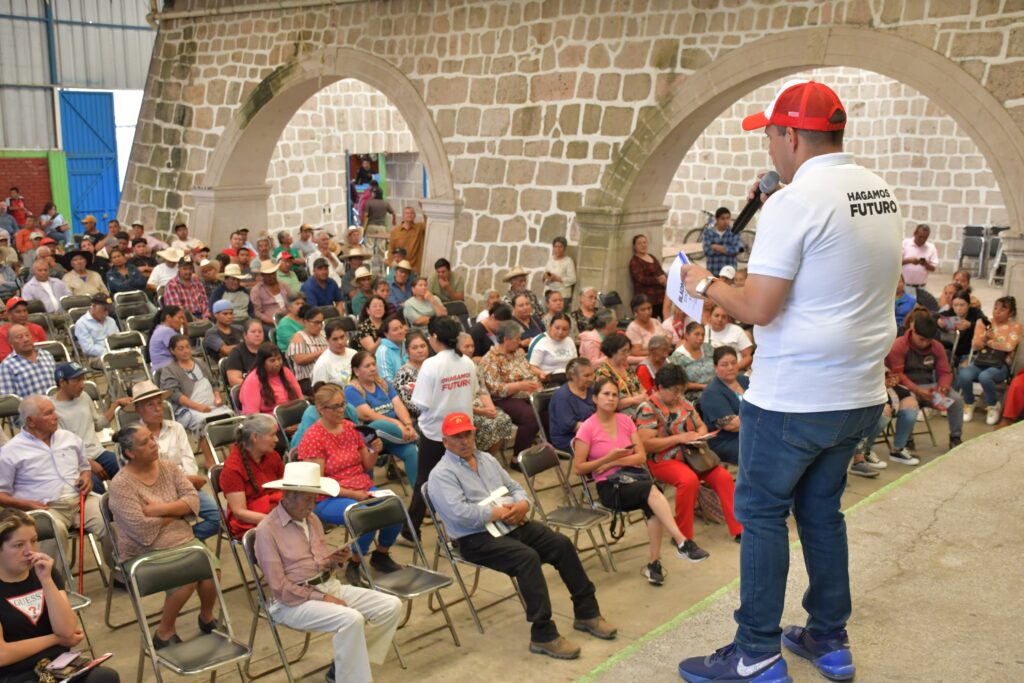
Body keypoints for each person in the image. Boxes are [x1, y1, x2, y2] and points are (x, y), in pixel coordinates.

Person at [676, 80, 901, 683]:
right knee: (823, 512)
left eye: (772, 134)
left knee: (764, 513)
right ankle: (828, 637)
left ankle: (755, 653)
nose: (770, 146)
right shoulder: (878, 192)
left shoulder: (794, 202)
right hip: (858, 393)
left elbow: (760, 309)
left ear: (792, 135)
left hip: (796, 397)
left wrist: (703, 284)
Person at [429, 412, 616, 659]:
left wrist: (522, 505)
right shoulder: (441, 475)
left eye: (467, 434)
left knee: (561, 544)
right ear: (445, 442)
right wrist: (495, 513)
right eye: (456, 437)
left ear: (474, 434)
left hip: (509, 522)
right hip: (474, 538)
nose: (464, 441)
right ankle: (543, 634)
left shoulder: (486, 459)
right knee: (526, 558)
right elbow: (459, 513)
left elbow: (515, 487)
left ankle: (587, 613)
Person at [254, 461, 402, 683]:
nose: (312, 505)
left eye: (315, 498)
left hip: (326, 585)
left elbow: (317, 562)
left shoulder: (312, 519)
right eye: (307, 498)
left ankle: (344, 667)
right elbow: (280, 588)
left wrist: (333, 561)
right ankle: (351, 676)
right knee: (351, 619)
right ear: (288, 496)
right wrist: (324, 598)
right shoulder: (267, 530)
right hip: (292, 602)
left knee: (390, 606)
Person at [574, 378, 708, 586]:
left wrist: (615, 460)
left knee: (652, 501)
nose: (611, 398)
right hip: (610, 487)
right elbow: (579, 468)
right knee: (652, 492)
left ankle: (654, 565)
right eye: (606, 394)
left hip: (634, 478)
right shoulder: (588, 428)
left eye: (614, 395)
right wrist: (607, 460)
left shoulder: (625, 421)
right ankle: (682, 542)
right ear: (594, 398)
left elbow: (641, 457)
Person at [107, 425, 219, 650]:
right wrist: (177, 512)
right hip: (143, 551)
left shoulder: (169, 468)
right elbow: (141, 529)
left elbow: (193, 501)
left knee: (212, 572)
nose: (153, 444)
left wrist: (160, 510)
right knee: (190, 575)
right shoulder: (121, 485)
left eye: (152, 438)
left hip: (182, 539)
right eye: (144, 442)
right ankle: (164, 631)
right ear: (129, 453)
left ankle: (206, 617)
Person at [297, 384, 402, 585]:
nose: (341, 410)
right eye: (335, 406)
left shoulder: (349, 428)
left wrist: (374, 451)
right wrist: (353, 494)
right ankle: (354, 562)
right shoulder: (313, 437)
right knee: (365, 515)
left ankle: (381, 554)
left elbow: (366, 465)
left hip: (360, 487)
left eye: (343, 404)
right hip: (329, 495)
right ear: (321, 409)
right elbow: (317, 482)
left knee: (394, 505)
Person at [0, 509, 121, 683]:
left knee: (105, 678)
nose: (30, 551)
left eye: (34, 541)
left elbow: (66, 630)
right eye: (18, 545)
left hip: (57, 665)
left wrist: (46, 580)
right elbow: (2, 654)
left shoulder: (45, 572)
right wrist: (55, 639)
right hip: (15, 673)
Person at [636, 364, 743, 550]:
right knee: (688, 480)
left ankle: (739, 528)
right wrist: (680, 438)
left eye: (681, 390)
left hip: (692, 456)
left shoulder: (683, 402)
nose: (678, 395)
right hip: (663, 459)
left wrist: (700, 435)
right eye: (674, 391)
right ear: (660, 387)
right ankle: (682, 535)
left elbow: (700, 424)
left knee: (723, 477)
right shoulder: (647, 408)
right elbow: (646, 444)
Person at [404, 316, 480, 544]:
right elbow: (473, 391)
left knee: (424, 482)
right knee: (460, 480)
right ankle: (462, 528)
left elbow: (421, 403)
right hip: (463, 431)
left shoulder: (431, 365)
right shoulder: (466, 362)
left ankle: (409, 531)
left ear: (435, 338)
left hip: (437, 432)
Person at [0, 396, 104, 542]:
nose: (56, 416)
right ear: (31, 421)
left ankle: (121, 564)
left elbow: (84, 467)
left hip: (81, 501)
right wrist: (26, 505)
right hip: (45, 509)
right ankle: (52, 566)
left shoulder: (70, 438)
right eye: (48, 413)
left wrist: (86, 477)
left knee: (109, 518)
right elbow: (2, 495)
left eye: (54, 411)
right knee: (54, 533)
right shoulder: (10, 451)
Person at [131, 380, 220, 533]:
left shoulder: (176, 428)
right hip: (154, 493)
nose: (158, 409)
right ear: (138, 410)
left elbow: (189, 462)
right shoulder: (133, 438)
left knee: (219, 518)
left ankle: (186, 540)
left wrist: (186, 483)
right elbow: (137, 477)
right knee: (155, 524)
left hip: (185, 486)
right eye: (150, 405)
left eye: (159, 403)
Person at [52, 362, 130, 493]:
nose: (82, 384)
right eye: (77, 380)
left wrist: (115, 404)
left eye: (83, 379)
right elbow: (61, 448)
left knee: (131, 469)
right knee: (93, 485)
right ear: (62, 382)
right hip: (75, 461)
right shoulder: (51, 408)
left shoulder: (84, 396)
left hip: (98, 452)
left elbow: (98, 424)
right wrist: (88, 463)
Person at [345, 351, 419, 485]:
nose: (373, 368)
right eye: (367, 366)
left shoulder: (383, 384)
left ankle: (420, 499)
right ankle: (413, 438)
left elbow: (398, 405)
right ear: (356, 371)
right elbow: (366, 414)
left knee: (411, 451)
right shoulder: (351, 389)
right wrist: (396, 423)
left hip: (395, 435)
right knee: (377, 428)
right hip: (370, 440)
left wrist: (407, 424)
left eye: (374, 364)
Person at [479, 321, 544, 459]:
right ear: (506, 340)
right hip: (505, 399)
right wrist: (519, 386)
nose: (520, 342)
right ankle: (519, 457)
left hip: (526, 394)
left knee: (548, 407)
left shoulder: (517, 354)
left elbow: (529, 373)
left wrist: (537, 384)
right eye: (517, 339)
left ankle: (551, 448)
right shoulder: (491, 359)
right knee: (530, 416)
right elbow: (494, 389)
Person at [954, 295, 1020, 426]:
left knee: (985, 376)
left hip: (1000, 365)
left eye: (1003, 309)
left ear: (1011, 312)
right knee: (964, 374)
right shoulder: (984, 323)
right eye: (995, 308)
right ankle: (969, 402)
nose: (997, 311)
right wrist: (985, 339)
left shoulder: (1015, 327)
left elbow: (1009, 346)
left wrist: (988, 341)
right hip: (981, 361)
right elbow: (975, 345)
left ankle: (993, 404)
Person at [218, 414, 285, 538]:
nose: (276, 439)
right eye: (272, 435)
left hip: (275, 509)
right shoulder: (232, 469)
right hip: (250, 520)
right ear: (255, 437)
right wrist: (274, 520)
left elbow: (284, 485)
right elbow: (239, 512)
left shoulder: (273, 456)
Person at [159, 335, 232, 436]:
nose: (186, 351)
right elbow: (174, 395)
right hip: (189, 410)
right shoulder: (169, 369)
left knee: (230, 415)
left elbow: (213, 383)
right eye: (181, 348)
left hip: (212, 405)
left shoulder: (200, 362)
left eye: (187, 347)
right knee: (204, 424)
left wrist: (218, 397)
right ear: (172, 351)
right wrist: (198, 407)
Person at [698, 346, 749, 466]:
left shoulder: (746, 381)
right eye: (724, 365)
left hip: (752, 433)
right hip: (726, 441)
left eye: (733, 363)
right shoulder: (711, 392)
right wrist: (761, 417)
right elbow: (732, 425)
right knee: (762, 450)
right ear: (715, 367)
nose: (730, 368)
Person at [548, 357, 596, 453]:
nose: (591, 379)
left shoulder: (591, 389)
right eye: (586, 376)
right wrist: (600, 429)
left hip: (591, 432)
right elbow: (571, 426)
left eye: (592, 374)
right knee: (606, 445)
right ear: (573, 376)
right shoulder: (562, 397)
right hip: (568, 438)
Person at [239, 343, 302, 415]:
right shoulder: (252, 380)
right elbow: (253, 415)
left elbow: (300, 399)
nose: (277, 363)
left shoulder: (286, 372)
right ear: (262, 362)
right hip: (269, 422)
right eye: (272, 360)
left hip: (293, 416)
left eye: (279, 359)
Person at [0, 326, 57, 399]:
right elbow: (9, 399)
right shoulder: (7, 366)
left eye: (27, 335)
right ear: (11, 343)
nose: (26, 339)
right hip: (30, 409)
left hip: (57, 406)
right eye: (20, 337)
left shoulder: (46, 355)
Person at [594, 334, 646, 414]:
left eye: (628, 351)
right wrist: (634, 400)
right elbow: (608, 402)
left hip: (639, 409)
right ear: (612, 351)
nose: (627, 355)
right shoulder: (603, 372)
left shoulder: (627, 368)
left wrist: (642, 397)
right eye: (624, 351)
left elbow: (642, 389)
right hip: (618, 414)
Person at [937, 289, 988, 364]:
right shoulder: (950, 312)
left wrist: (970, 325)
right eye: (955, 305)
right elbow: (933, 316)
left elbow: (987, 323)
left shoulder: (975, 312)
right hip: (951, 351)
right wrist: (938, 322)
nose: (958, 308)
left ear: (968, 305)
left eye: (962, 305)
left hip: (969, 353)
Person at [670, 321, 716, 402]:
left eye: (703, 335)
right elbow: (678, 383)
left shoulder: (708, 348)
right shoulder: (677, 357)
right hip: (694, 396)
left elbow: (718, 365)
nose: (701, 338)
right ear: (686, 336)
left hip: (715, 388)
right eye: (697, 334)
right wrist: (703, 386)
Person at [286, 306, 328, 395]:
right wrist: (322, 352)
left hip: (327, 375)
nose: (319, 326)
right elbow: (299, 360)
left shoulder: (324, 335)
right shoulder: (299, 337)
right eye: (316, 323)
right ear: (305, 322)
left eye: (321, 322)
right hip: (308, 379)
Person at [71, 294, 117, 368]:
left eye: (108, 310)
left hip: (115, 353)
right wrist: (108, 352)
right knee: (113, 362)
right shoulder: (82, 324)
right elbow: (88, 349)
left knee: (137, 358)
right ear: (94, 306)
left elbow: (117, 339)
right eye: (104, 309)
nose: (106, 313)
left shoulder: (111, 321)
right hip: (95, 358)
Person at [704, 303, 753, 371]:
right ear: (710, 317)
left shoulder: (736, 330)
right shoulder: (703, 331)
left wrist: (734, 369)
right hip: (710, 372)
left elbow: (748, 357)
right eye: (716, 315)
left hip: (735, 371)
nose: (720, 319)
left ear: (727, 319)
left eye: (724, 317)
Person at [528, 313, 577, 378]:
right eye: (557, 328)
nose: (560, 332)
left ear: (569, 330)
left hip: (569, 377)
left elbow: (575, 363)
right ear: (550, 326)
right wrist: (542, 374)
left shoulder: (569, 341)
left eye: (564, 329)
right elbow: (532, 367)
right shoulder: (540, 341)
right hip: (548, 379)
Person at [311, 319, 358, 387]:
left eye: (342, 337)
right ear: (327, 340)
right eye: (335, 339)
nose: (340, 342)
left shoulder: (354, 354)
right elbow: (320, 393)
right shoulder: (322, 364)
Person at [628, 234, 666, 314]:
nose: (643, 245)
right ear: (634, 247)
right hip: (647, 299)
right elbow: (641, 279)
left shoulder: (652, 256)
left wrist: (664, 277)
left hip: (661, 297)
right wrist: (657, 280)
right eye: (639, 243)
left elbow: (660, 270)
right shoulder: (635, 262)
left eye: (644, 242)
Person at [0, 298, 47, 362]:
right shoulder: (2, 333)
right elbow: (5, 358)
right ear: (9, 314)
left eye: (25, 311)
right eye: (18, 312)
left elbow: (46, 350)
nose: (23, 314)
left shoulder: (37, 328)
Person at [702, 207, 744, 277]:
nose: (726, 221)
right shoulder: (708, 232)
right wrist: (727, 250)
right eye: (723, 218)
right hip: (713, 271)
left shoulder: (734, 232)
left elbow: (736, 250)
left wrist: (715, 247)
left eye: (728, 218)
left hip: (729, 274)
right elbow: (707, 251)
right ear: (717, 219)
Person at [900, 223, 938, 295]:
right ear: (915, 233)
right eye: (920, 237)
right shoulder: (905, 244)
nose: (922, 239)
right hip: (905, 286)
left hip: (921, 287)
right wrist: (910, 261)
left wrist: (925, 264)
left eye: (925, 238)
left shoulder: (931, 247)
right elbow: (896, 262)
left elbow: (933, 268)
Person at [225, 319, 264, 387]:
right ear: (245, 335)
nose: (257, 334)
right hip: (249, 390)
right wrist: (257, 387)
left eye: (260, 332)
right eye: (253, 332)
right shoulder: (236, 353)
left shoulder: (269, 349)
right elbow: (233, 380)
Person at [388, 204, 425, 271]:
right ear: (403, 216)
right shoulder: (395, 231)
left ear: (415, 216)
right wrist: (391, 264)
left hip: (415, 268)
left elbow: (429, 222)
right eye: (407, 213)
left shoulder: (419, 228)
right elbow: (391, 249)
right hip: (400, 268)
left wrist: (423, 207)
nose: (409, 215)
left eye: (412, 213)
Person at [148, 305, 186, 371]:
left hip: (167, 368)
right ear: (168, 318)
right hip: (166, 371)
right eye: (179, 318)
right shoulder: (166, 331)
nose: (182, 321)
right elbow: (182, 353)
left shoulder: (161, 329)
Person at [542, 236, 577, 305]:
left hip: (562, 295)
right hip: (548, 292)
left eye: (560, 247)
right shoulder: (550, 259)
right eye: (556, 246)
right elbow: (545, 273)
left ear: (564, 248)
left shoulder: (568, 261)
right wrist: (545, 276)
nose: (558, 249)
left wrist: (557, 278)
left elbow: (573, 279)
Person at [374, 315, 408, 383]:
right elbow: (386, 382)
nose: (400, 331)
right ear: (386, 334)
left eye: (401, 327)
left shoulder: (407, 343)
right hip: (395, 391)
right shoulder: (383, 352)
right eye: (395, 329)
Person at [625, 294, 660, 359]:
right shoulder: (633, 328)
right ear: (635, 312)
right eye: (643, 310)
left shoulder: (656, 322)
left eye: (649, 308)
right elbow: (636, 352)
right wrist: (657, 352)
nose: (647, 312)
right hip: (643, 361)